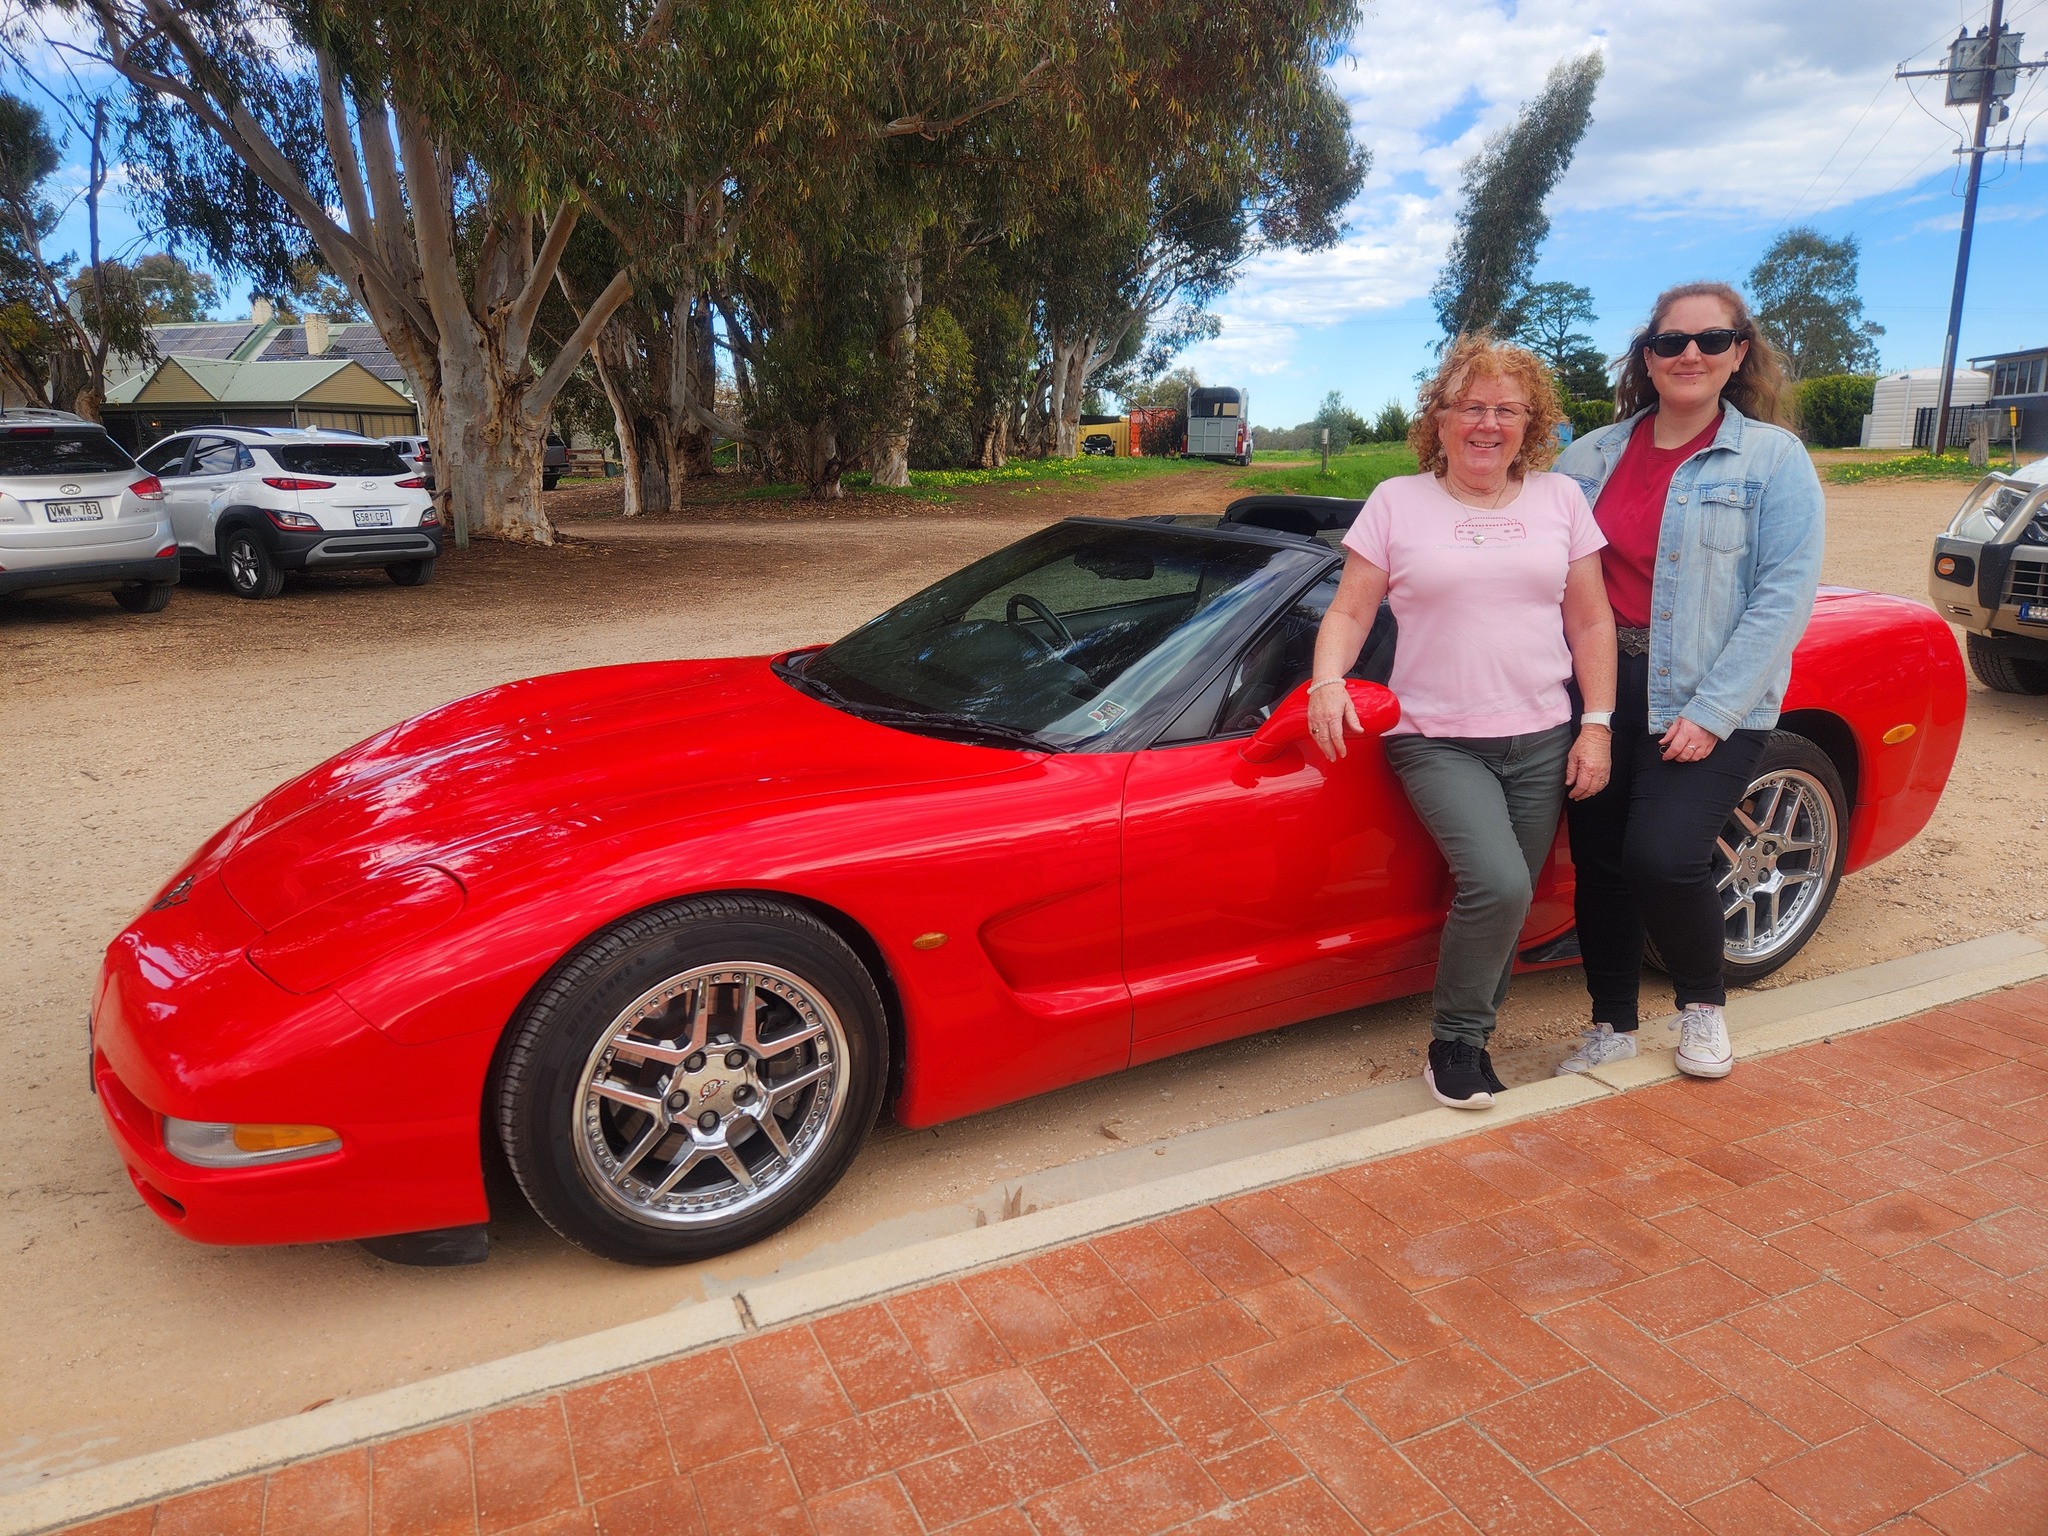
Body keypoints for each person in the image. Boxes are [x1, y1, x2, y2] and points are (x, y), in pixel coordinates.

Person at [1309, 337, 1617, 1110]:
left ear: (1530, 424)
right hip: (1436, 738)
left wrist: (1597, 724)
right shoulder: (1396, 501)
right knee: (1500, 883)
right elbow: (1349, 611)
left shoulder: (1560, 500)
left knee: (1510, 901)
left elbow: (1591, 623)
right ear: (1439, 420)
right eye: (1471, 407)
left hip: (1543, 735)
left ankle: (1473, 1044)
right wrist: (1327, 681)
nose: (1488, 424)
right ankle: (1452, 1042)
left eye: (1507, 410)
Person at [1552, 282, 1823, 1081]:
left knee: (1664, 857)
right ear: (1648, 356)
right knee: (1600, 860)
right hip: (1600, 686)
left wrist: (1713, 711)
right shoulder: (1588, 457)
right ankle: (1611, 1025)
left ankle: (1703, 1006)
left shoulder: (1773, 459)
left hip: (1708, 694)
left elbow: (1783, 596)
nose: (1690, 355)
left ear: (1740, 353)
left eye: (1711, 340)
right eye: (1672, 342)